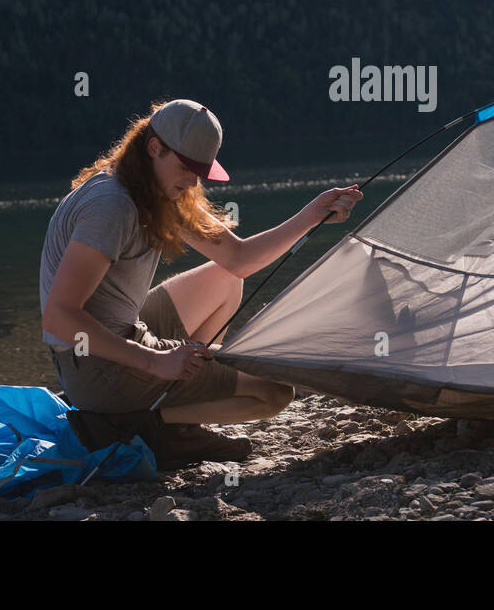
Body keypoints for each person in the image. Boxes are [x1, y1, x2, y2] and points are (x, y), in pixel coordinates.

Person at [39, 97, 363, 462]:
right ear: (153, 148)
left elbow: (238, 259)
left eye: (200, 171)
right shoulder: (111, 205)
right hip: (96, 368)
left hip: (120, 334)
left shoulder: (152, 188)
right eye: (186, 167)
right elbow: (59, 318)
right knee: (274, 392)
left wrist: (311, 214)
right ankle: (147, 426)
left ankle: (178, 415)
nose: (193, 180)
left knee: (226, 279)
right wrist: (153, 361)